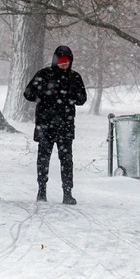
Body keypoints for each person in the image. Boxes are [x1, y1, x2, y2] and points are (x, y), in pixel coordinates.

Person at [24, 45, 87, 205]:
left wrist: (70, 96)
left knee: (66, 159)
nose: (64, 64)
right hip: (46, 125)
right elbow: (28, 93)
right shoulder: (44, 75)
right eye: (61, 61)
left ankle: (67, 192)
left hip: (65, 126)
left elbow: (82, 99)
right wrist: (46, 95)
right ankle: (42, 190)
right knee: (43, 159)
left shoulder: (74, 77)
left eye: (67, 61)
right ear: (55, 60)